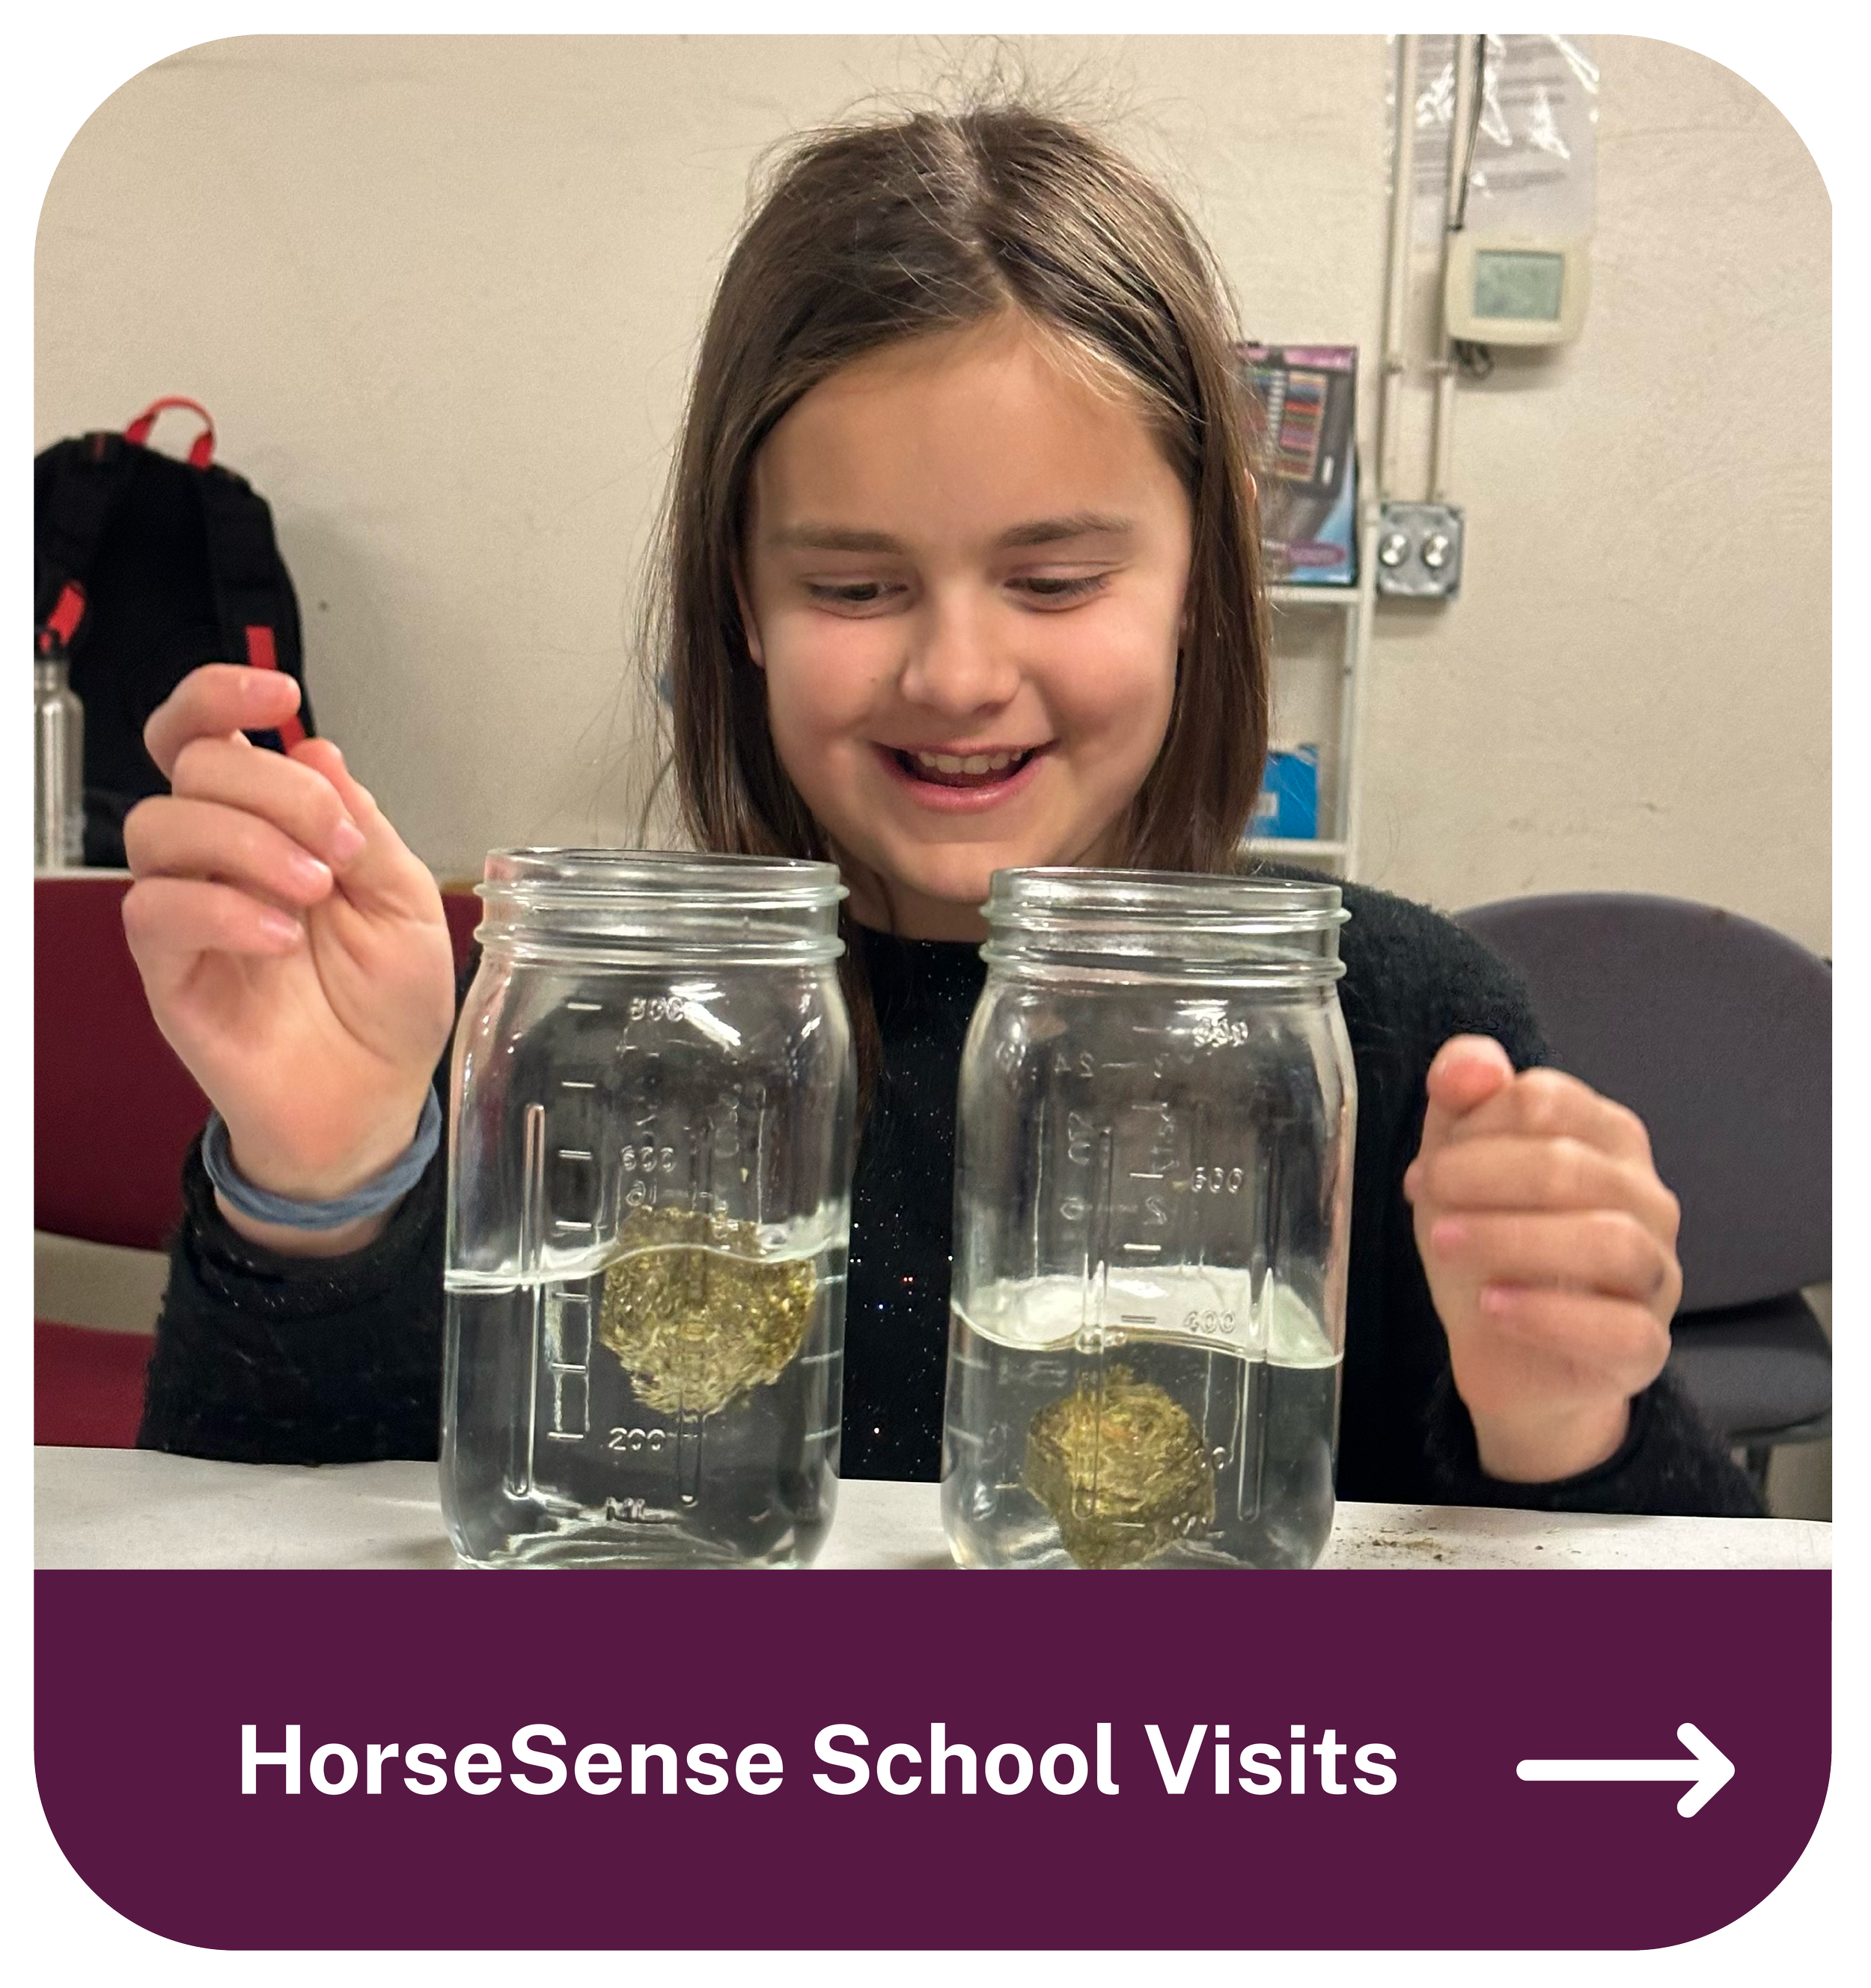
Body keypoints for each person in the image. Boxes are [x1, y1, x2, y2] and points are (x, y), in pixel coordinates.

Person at [123, 104, 1756, 1515]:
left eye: (1053, 576)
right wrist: (325, 1176)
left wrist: (1558, 1412)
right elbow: (269, 1631)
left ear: (1202, 584)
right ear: (737, 601)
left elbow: (1634, 1685)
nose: (956, 672)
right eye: (850, 580)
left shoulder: (1389, 1023)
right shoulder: (597, 1026)